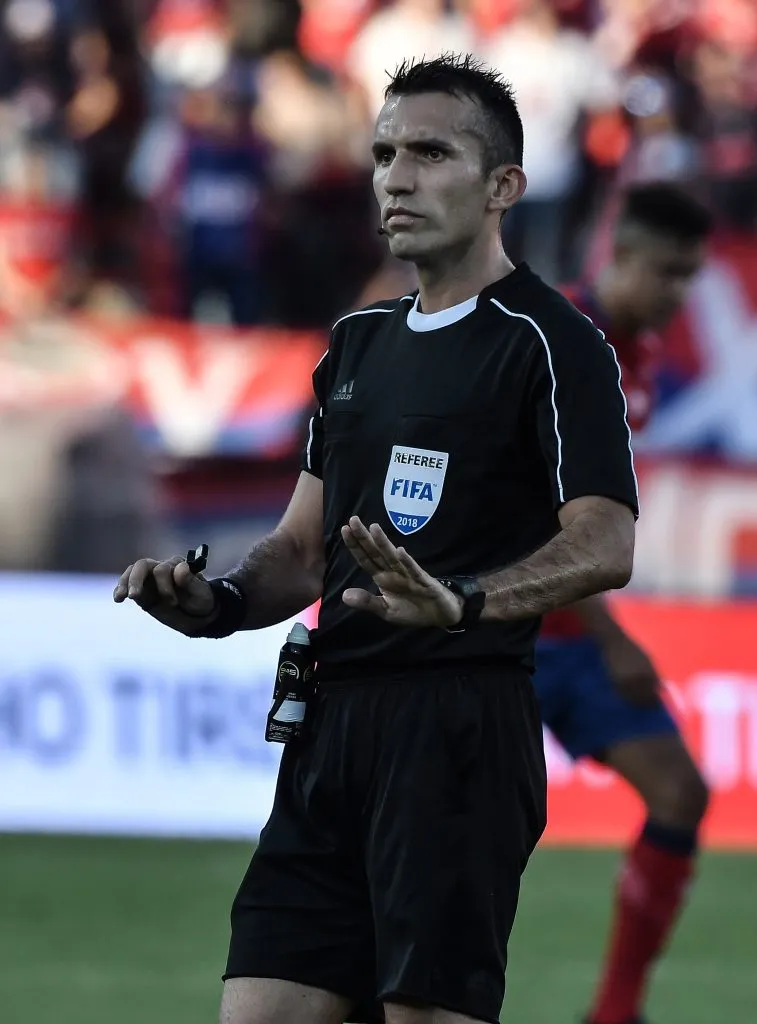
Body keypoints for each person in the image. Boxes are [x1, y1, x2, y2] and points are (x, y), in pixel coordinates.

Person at [114, 54, 639, 1024]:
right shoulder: (354, 343)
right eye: (383, 153)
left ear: (501, 188)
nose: (395, 176)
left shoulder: (549, 341)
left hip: (457, 728)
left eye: (430, 152)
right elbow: (298, 551)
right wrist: (216, 601)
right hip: (327, 728)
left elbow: (605, 541)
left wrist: (464, 600)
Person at [535, 183, 713, 1024]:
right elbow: (538, 509)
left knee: (679, 792)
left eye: (691, 277)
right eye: (668, 273)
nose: (679, 294)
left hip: (570, 629)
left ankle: (615, 1011)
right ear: (622, 256)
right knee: (449, 835)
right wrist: (614, 640)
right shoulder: (563, 341)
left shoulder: (638, 356)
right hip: (500, 624)